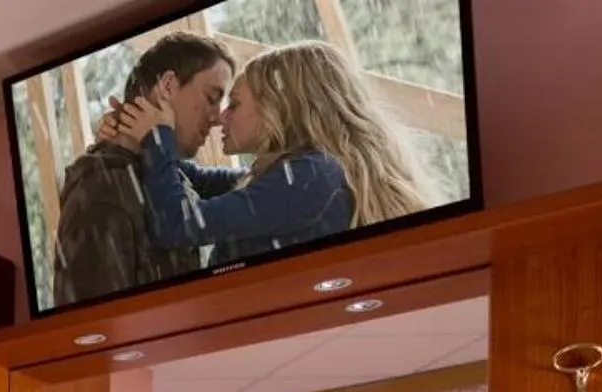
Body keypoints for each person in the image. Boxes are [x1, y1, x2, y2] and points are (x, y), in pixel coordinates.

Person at [115, 40, 434, 269]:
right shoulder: (311, 174)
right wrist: (137, 140)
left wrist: (157, 138)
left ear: (280, 108)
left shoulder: (310, 177)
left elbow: (177, 225)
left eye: (234, 104)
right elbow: (200, 181)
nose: (221, 116)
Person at [48, 31, 240, 308]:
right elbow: (92, 323)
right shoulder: (104, 189)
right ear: (169, 85)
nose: (217, 118)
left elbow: (245, 183)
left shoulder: (162, 175)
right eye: (212, 98)